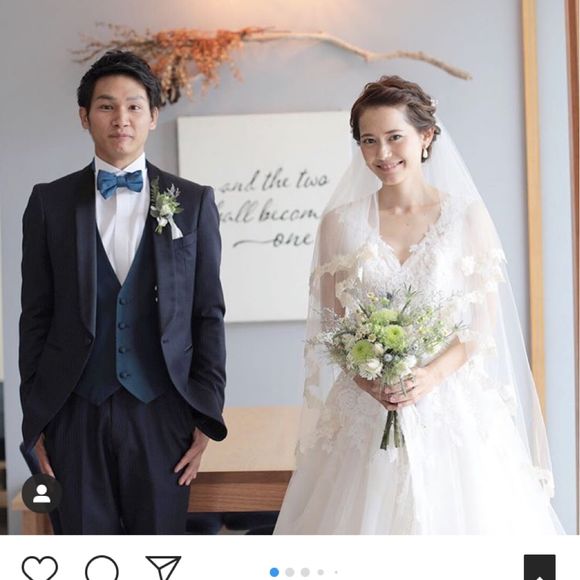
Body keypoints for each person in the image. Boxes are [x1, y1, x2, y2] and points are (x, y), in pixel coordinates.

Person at [274, 76, 563, 534]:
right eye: (369, 141)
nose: (382, 153)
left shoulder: (466, 217)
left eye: (395, 137)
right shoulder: (339, 223)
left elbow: (482, 324)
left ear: (425, 136)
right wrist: (367, 380)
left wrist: (431, 376)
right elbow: (332, 325)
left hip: (451, 407)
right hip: (366, 409)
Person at [19, 50, 227, 534]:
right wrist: (35, 422)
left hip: (163, 411)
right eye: (106, 106)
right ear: (84, 116)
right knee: (86, 556)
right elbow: (35, 318)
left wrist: (207, 413)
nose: (121, 119)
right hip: (73, 412)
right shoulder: (48, 203)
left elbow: (207, 314)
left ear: (153, 116)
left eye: (134, 106)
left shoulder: (193, 202)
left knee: (159, 556)